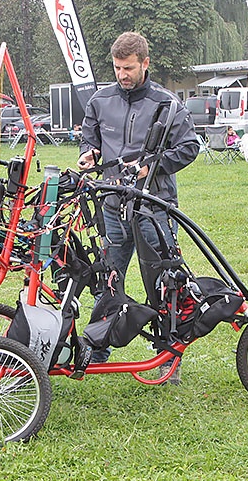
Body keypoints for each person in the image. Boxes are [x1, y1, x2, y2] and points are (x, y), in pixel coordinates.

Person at [78, 32, 199, 383]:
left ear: (145, 64)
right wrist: (89, 152)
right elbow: (90, 138)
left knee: (163, 282)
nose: (122, 74)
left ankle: (167, 355)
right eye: (117, 68)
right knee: (107, 276)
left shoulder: (168, 104)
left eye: (128, 68)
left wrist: (153, 166)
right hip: (112, 206)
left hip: (153, 208)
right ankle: (98, 346)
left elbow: (189, 147)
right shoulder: (100, 101)